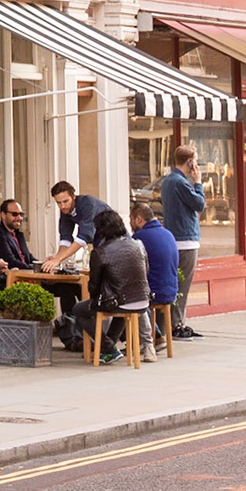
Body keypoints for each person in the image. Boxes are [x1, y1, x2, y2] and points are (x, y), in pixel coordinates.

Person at [64, 209, 149, 363]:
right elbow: (146, 271)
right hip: (142, 300)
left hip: (118, 302)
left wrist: (95, 300)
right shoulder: (138, 245)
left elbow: (94, 286)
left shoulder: (100, 252)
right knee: (121, 307)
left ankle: (108, 347)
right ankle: (108, 351)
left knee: (79, 309)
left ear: (101, 230)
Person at [160, 145, 206, 340]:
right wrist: (199, 183)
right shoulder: (181, 182)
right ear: (190, 162)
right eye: (194, 161)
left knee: (175, 283)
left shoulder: (168, 181)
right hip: (186, 240)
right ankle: (177, 324)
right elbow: (199, 204)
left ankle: (172, 324)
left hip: (174, 238)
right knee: (182, 286)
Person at [131, 202, 180, 352]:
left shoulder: (139, 237)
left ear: (138, 219)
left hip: (154, 293)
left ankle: (154, 337)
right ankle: (155, 336)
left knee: (127, 298)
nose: (131, 224)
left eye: (131, 220)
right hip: (171, 291)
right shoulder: (167, 233)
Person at [40, 180, 113, 273]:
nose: (62, 206)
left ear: (73, 197)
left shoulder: (87, 204)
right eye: (59, 203)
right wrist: (57, 258)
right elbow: (65, 239)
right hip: (100, 246)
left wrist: (58, 259)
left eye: (65, 201)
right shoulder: (66, 211)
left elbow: (83, 237)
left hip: (116, 243)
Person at [0, 199, 38, 270]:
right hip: (11, 277)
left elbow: (28, 257)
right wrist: (33, 268)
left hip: (26, 274)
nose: (19, 218)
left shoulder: (18, 234)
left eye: (21, 214)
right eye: (15, 214)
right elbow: (9, 261)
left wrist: (42, 265)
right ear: (3, 215)